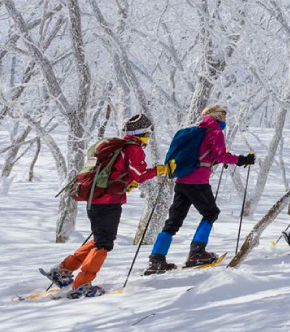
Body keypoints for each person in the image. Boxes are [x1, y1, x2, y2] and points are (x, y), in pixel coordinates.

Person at [42, 113, 158, 298]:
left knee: (99, 239)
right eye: (148, 133)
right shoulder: (133, 149)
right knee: (104, 243)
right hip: (108, 202)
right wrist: (160, 170)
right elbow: (140, 174)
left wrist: (125, 184)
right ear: (141, 133)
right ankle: (82, 285)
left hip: (95, 199)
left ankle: (62, 271)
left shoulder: (116, 147)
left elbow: (116, 173)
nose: (149, 137)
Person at [144, 103, 256, 274]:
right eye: (223, 113)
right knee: (211, 213)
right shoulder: (215, 131)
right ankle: (197, 253)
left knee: (174, 221)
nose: (225, 116)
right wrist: (243, 160)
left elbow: (207, 155)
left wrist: (216, 160)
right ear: (216, 115)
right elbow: (221, 154)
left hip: (182, 180)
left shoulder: (197, 131)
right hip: (197, 181)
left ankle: (157, 259)